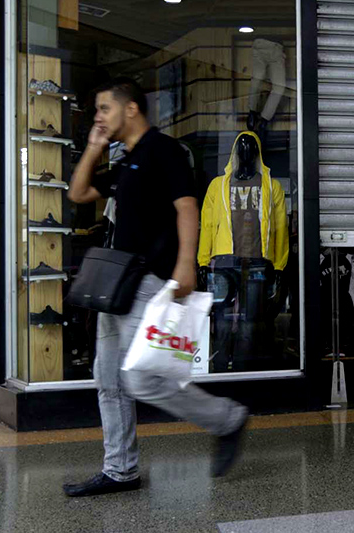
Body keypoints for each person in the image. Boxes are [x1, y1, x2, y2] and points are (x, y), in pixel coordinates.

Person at [64, 78, 249, 497]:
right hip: (117, 284)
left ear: (131, 109)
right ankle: (120, 470)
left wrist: (186, 265)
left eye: (104, 109)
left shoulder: (163, 151)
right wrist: (94, 145)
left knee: (142, 380)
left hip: (150, 282)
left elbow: (187, 207)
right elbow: (79, 192)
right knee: (108, 380)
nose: (99, 116)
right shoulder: (126, 160)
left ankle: (227, 419)